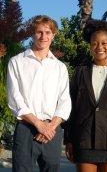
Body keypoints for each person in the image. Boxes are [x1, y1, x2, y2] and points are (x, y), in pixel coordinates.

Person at [64, 19, 107, 172]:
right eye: (95, 43)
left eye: (104, 43)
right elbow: (70, 108)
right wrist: (68, 140)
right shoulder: (80, 72)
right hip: (84, 140)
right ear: (90, 46)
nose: (99, 47)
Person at [7, 15, 71, 172]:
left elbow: (64, 101)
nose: (44, 36)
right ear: (32, 34)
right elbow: (15, 99)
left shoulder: (60, 67)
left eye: (48, 32)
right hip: (26, 130)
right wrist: (38, 124)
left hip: (52, 131)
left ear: (53, 35)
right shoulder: (17, 62)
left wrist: (49, 127)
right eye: (39, 32)